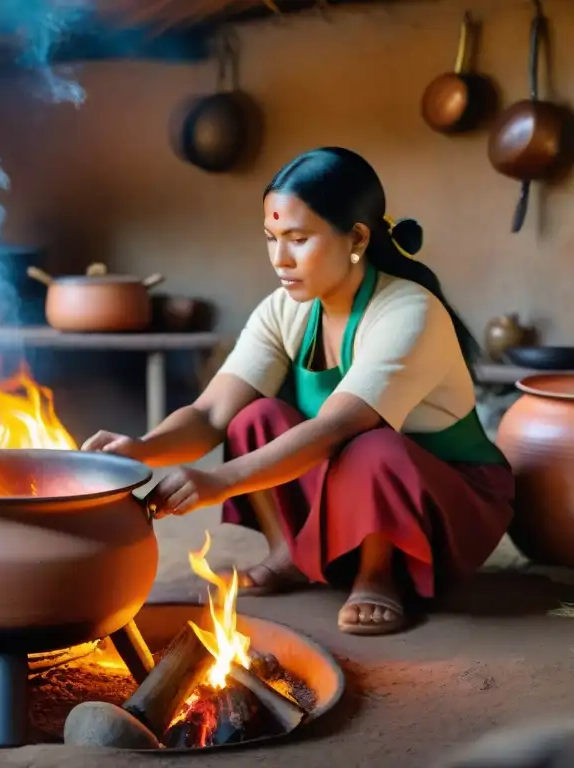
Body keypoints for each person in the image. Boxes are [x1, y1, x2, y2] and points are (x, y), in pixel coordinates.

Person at [82, 147, 514, 637]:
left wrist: (219, 481)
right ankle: (288, 551)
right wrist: (142, 449)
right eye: (271, 239)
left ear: (356, 238)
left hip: (450, 503)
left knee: (374, 444)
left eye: (298, 239)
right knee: (255, 417)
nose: (280, 259)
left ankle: (379, 575)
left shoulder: (408, 312)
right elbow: (211, 413)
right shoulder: (284, 308)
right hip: (346, 475)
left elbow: (336, 428)